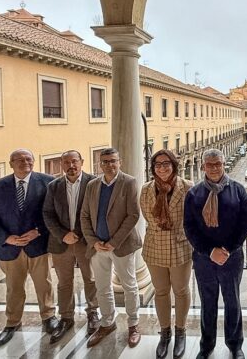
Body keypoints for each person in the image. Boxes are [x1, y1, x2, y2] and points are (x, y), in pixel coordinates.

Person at [0, 148, 58, 347]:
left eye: (29, 159)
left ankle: (49, 317)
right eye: (20, 159)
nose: (25, 162)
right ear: (11, 164)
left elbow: (53, 213)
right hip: (10, 248)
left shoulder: (48, 182)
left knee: (44, 285)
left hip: (38, 245)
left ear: (33, 161)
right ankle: (12, 322)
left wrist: (38, 231)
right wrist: (6, 238)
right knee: (13, 288)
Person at [184, 148, 247, 359]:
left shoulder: (238, 190)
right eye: (210, 165)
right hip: (204, 259)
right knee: (208, 302)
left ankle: (234, 344)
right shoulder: (194, 193)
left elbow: (244, 223)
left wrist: (228, 250)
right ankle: (206, 345)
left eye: (218, 164)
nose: (214, 168)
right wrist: (209, 251)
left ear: (223, 165)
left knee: (232, 301)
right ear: (203, 166)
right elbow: (189, 228)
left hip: (232, 257)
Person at [80, 147, 143, 349]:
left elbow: (133, 215)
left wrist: (113, 242)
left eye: (113, 161)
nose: (109, 165)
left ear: (120, 162)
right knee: (102, 286)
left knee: (129, 285)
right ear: (100, 163)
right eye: (105, 161)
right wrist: (93, 241)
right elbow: (85, 216)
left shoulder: (129, 182)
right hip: (97, 245)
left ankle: (133, 324)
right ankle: (107, 323)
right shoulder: (92, 185)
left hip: (121, 245)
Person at [140, 149, 194, 359]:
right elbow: (146, 215)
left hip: (180, 247)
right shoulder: (145, 190)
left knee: (181, 290)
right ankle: (165, 332)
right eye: (157, 164)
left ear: (174, 165)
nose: (162, 167)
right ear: (153, 168)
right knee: (161, 291)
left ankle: (180, 331)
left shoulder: (188, 187)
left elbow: (192, 217)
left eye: (166, 163)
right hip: (155, 247)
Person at [42, 150, 100, 344]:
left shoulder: (94, 183)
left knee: (90, 279)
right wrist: (63, 234)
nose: (71, 165)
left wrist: (84, 235)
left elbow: (98, 213)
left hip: (86, 242)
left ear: (82, 162)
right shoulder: (53, 186)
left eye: (74, 161)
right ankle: (66, 318)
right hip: (61, 243)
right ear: (61, 164)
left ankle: (93, 313)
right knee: (64, 282)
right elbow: (47, 214)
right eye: (66, 162)